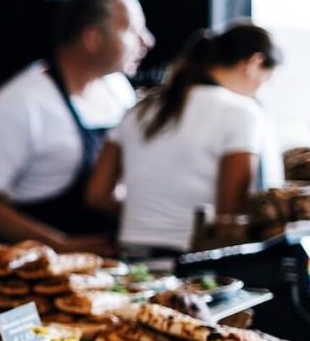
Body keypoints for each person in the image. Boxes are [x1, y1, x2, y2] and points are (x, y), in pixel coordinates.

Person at [0, 0, 154, 255]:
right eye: (133, 31)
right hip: (36, 268)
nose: (148, 41)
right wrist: (59, 246)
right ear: (92, 38)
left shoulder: (118, 89)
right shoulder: (21, 103)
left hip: (107, 260)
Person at [85, 23, 282, 256]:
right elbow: (230, 215)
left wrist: (150, 215)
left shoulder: (141, 108)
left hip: (133, 257)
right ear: (254, 64)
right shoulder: (242, 112)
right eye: (267, 79)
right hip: (195, 262)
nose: (261, 89)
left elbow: (96, 195)